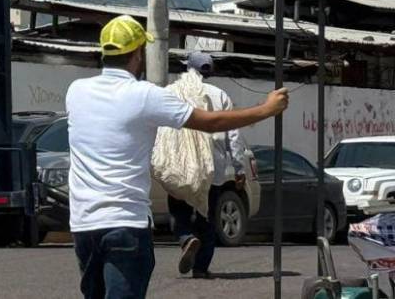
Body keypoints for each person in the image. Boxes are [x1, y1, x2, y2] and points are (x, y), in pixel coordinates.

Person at [67, 15, 288, 299]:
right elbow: (210, 123)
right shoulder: (144, 94)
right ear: (137, 54)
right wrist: (266, 109)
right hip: (126, 223)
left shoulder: (76, 92)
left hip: (83, 226)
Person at [167, 51, 249, 279]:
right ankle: (201, 268)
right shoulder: (221, 95)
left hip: (182, 165)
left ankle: (185, 238)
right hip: (214, 168)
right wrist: (239, 168)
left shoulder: (175, 92)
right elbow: (233, 133)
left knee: (178, 209)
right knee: (208, 218)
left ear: (187, 69)